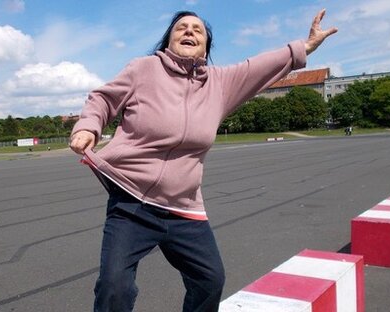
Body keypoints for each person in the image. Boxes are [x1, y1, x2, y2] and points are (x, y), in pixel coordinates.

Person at [69, 9, 337, 312]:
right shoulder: (143, 69)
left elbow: (259, 67)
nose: (189, 32)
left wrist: (305, 46)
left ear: (206, 46)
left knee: (210, 281)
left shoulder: (219, 84)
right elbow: (103, 99)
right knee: (114, 287)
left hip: (183, 208)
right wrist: (88, 126)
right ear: (167, 40)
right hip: (132, 203)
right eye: (181, 27)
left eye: (197, 30)